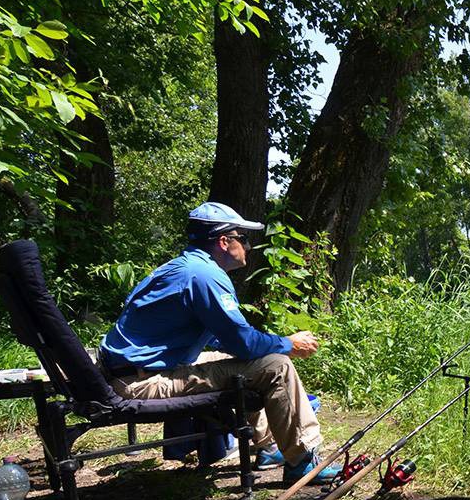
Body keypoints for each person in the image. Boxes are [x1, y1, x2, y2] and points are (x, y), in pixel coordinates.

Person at [98, 202, 337, 484]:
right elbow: (243, 343)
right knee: (276, 365)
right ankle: (303, 460)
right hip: (141, 382)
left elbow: (221, 337)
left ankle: (271, 447)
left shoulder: (184, 268)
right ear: (224, 242)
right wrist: (288, 343)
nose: (248, 246)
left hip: (128, 373)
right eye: (244, 239)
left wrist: (262, 345)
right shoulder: (204, 275)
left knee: (253, 363)